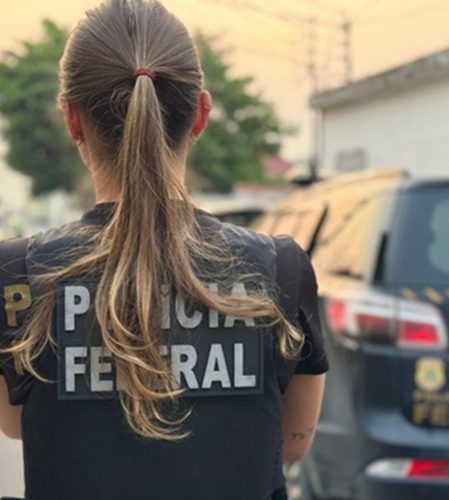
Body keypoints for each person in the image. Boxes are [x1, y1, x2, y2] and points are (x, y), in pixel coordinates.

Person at [0, 1, 328, 499]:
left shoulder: (18, 272)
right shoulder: (279, 268)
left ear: (72, 118)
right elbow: (290, 442)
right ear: (200, 114)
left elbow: (17, 424)